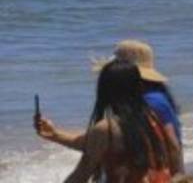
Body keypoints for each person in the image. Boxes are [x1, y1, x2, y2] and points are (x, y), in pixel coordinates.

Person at [39, 59, 182, 183]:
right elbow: (174, 147)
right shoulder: (152, 116)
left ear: (105, 90)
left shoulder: (106, 129)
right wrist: (54, 135)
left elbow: (80, 175)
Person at [36, 41, 184, 155]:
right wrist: (55, 135)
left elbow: (98, 144)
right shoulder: (156, 98)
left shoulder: (148, 105)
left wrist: (55, 136)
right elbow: (101, 141)